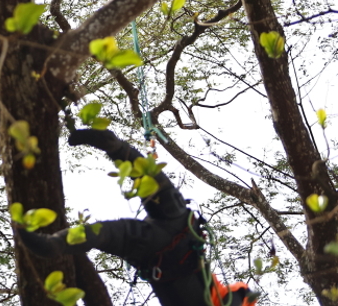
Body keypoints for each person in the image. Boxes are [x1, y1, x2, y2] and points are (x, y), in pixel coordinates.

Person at [16, 128, 259, 306]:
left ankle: (53, 244)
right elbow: (242, 297)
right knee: (150, 194)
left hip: (162, 252)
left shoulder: (236, 295)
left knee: (113, 229)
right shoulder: (237, 297)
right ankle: (114, 147)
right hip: (175, 248)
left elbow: (242, 296)